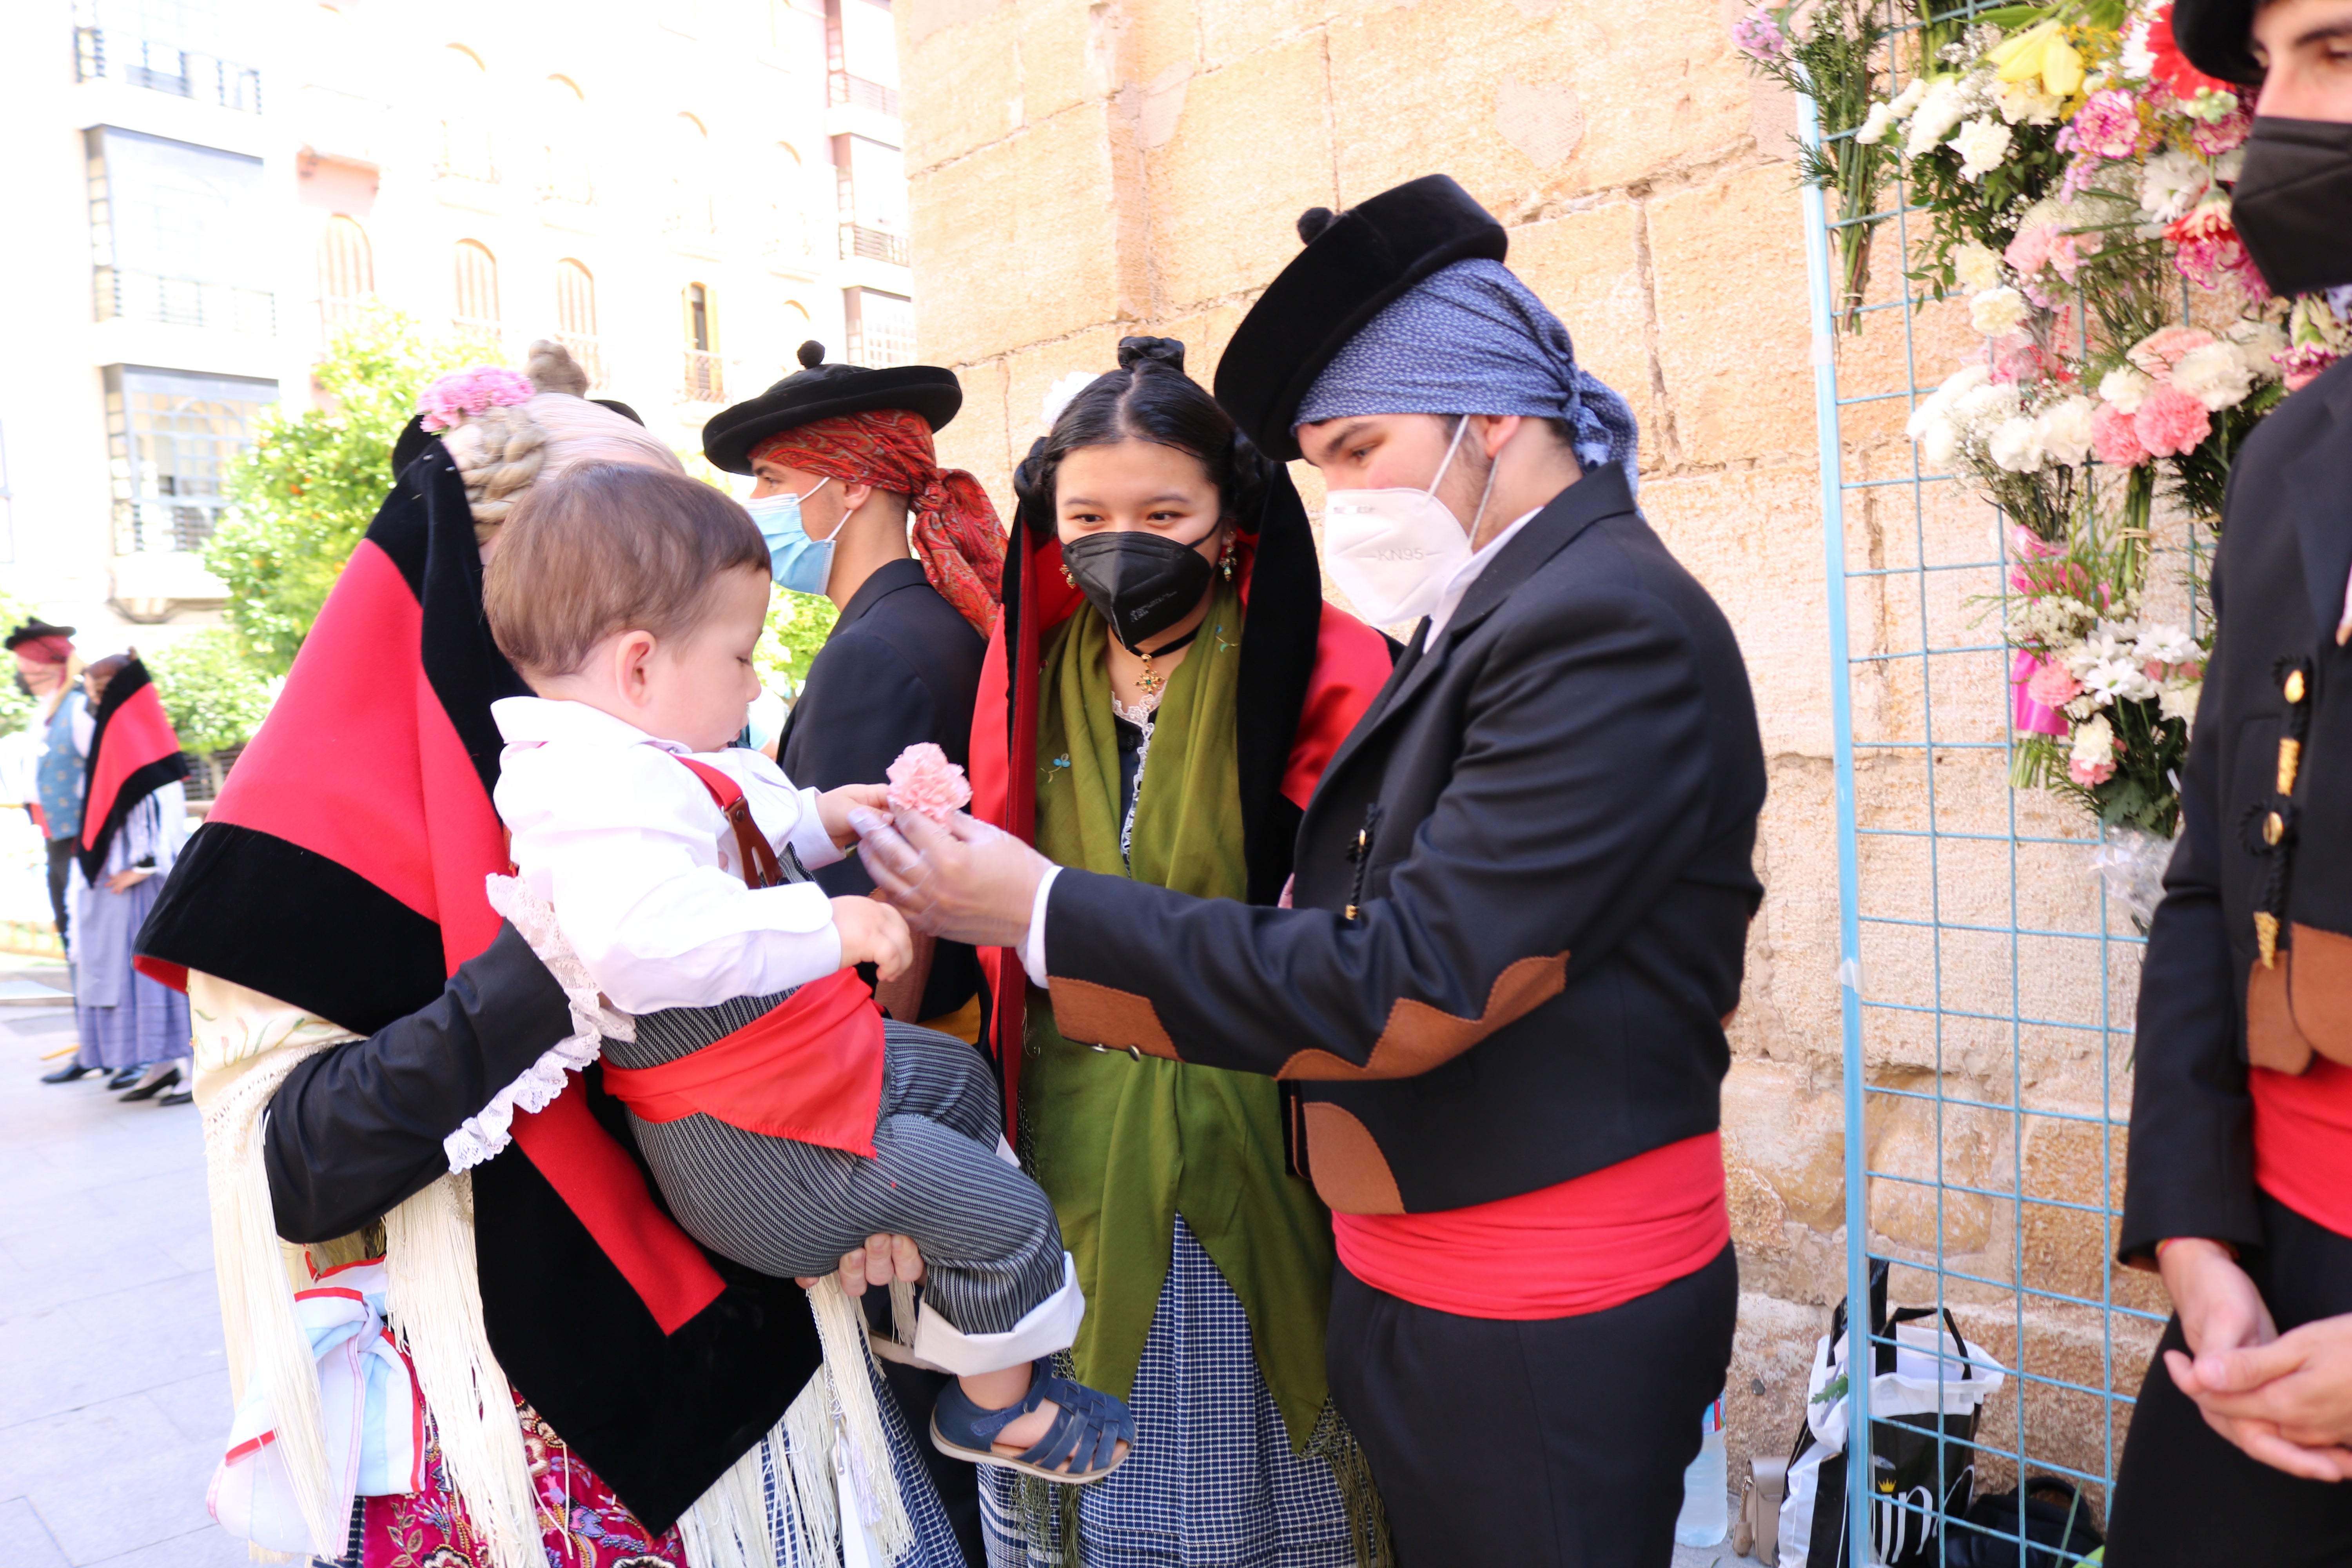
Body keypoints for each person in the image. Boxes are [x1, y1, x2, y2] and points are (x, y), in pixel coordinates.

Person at [853, 175, 1766, 1567]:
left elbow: (1415, 974)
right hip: (1421, 1258)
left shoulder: (1598, 625)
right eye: (1321, 462)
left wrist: (1037, 906)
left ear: (1493, 416)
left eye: (1356, 448)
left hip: (1539, 1288)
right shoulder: (1499, 611)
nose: (1339, 496)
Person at [136, 341, 972, 1568]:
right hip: (513, 1441)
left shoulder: (669, 757)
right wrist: (556, 962)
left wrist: (867, 1185)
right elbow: (299, 1167)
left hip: (774, 1369)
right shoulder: (305, 826)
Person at [481, 460, 1127, 1483]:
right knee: (1005, 1216)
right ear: (640, 666)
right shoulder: (590, 795)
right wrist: (832, 929)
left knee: (961, 1085)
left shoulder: (652, 757)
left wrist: (841, 815)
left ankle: (937, 1315)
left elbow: (758, 822)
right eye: (739, 656)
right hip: (748, 1141)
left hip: (787, 1081)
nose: (754, 682)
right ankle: (996, 1412)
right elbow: (649, 943)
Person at [959, 336, 1396, 1566]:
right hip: (1065, 1152)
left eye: (1162, 510)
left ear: (1227, 520)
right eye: (1085, 512)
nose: (1119, 537)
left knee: (1241, 1482)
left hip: (1257, 1133)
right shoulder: (1024, 678)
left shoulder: (1326, 665)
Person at [2103, 0, 2352, 1559]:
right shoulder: (2300, 456)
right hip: (2272, 1286)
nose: (2280, 121)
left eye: (2331, 49)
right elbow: (2216, 867)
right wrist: (2199, 1235)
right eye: (2272, 74)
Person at [703, 341, 1002, 1040]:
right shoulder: (924, 617)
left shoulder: (871, 652)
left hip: (894, 1037)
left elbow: (851, 902)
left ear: (855, 486)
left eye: (772, 479)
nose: (755, 504)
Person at [64, 653, 192, 1103]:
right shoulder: (114, 738)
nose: (92, 699)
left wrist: (141, 866)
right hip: (123, 877)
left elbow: (162, 802)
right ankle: (159, 1066)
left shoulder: (142, 737)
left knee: (160, 971)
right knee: (130, 976)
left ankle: (192, 1070)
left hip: (145, 880)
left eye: (98, 690)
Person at [9, 619, 104, 1082]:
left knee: (93, 945)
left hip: (80, 840)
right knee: (73, 945)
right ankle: (93, 1045)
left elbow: (104, 773)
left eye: (29, 668)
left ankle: (117, 1046)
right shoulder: (47, 710)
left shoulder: (78, 708)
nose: (23, 676)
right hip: (56, 840)